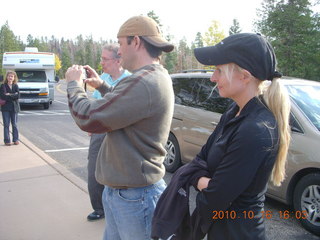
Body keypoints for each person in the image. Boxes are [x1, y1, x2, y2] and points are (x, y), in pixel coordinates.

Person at [152, 33, 291, 240]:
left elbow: (216, 195)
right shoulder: (234, 113)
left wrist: (193, 176)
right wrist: (203, 177)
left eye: (218, 70)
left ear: (244, 76)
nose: (212, 78)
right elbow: (202, 158)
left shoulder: (257, 130)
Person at [65, 15, 175, 240]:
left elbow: (88, 117)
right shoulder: (148, 78)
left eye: (121, 43)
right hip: (127, 194)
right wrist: (104, 86)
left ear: (135, 42)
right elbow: (127, 108)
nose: (119, 50)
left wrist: (74, 84)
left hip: (135, 197)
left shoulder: (144, 81)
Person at [86, 43, 131, 221]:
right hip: (100, 130)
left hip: (120, 132)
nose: (101, 62)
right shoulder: (102, 77)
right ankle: (99, 208)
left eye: (105, 59)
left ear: (118, 60)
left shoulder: (130, 80)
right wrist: (91, 125)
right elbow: (95, 105)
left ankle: (118, 207)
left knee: (118, 171)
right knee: (94, 170)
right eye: (101, 58)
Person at [0, 70, 20, 146]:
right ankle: (7, 140)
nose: (10, 77)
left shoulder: (16, 86)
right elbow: (3, 96)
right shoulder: (3, 86)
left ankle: (15, 139)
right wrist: (13, 95)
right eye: (9, 76)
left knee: (14, 124)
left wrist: (9, 95)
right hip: (5, 108)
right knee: (6, 125)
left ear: (14, 77)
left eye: (12, 76)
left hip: (14, 108)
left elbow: (18, 96)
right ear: (7, 77)